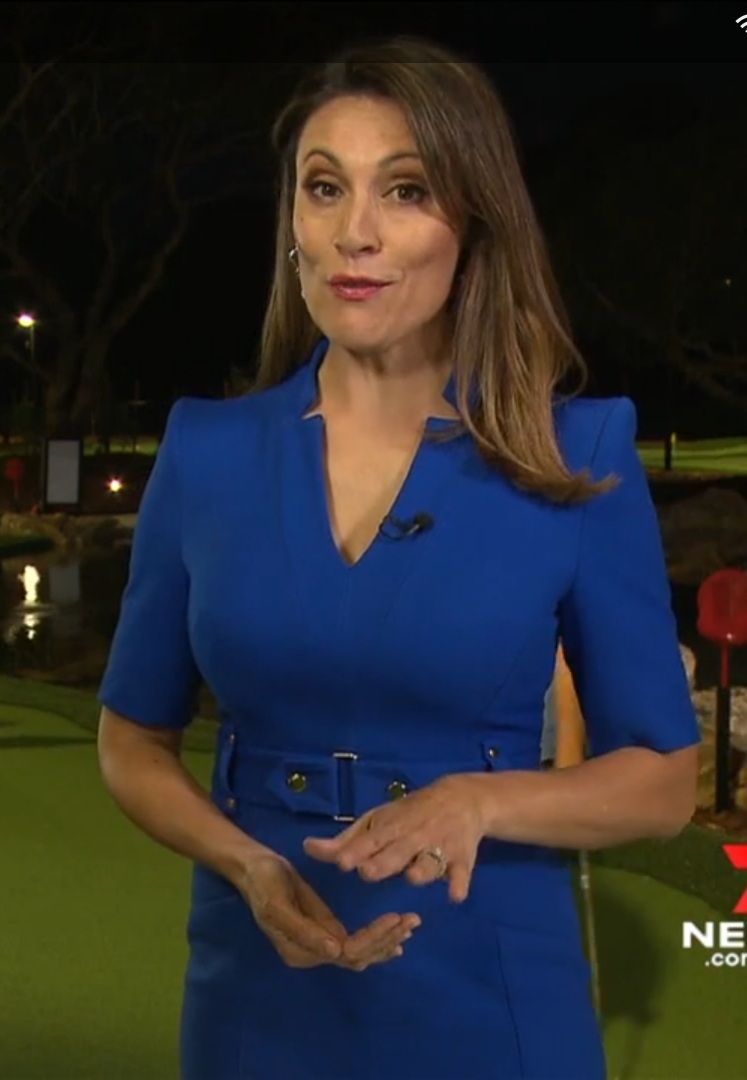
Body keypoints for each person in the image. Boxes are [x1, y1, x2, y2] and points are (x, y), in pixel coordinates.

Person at [96, 35, 702, 1080]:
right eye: (324, 188)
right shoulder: (207, 451)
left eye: (406, 190)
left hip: (490, 981)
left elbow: (661, 782)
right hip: (257, 986)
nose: (355, 233)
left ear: (475, 224)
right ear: (292, 224)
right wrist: (246, 865)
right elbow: (130, 740)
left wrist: (481, 802)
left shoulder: (576, 455)